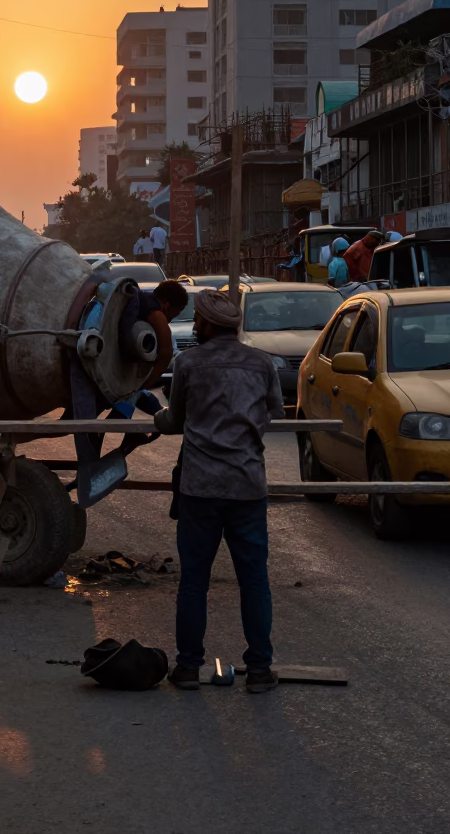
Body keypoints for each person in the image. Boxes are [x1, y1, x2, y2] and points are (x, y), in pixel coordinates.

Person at [154, 288, 284, 694]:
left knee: (194, 580)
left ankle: (189, 668)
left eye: (198, 321)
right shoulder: (262, 363)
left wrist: (156, 417)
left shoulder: (188, 363)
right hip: (247, 486)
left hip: (200, 488)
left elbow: (174, 419)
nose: (195, 326)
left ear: (208, 325)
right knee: (254, 580)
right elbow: (274, 412)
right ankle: (260, 670)